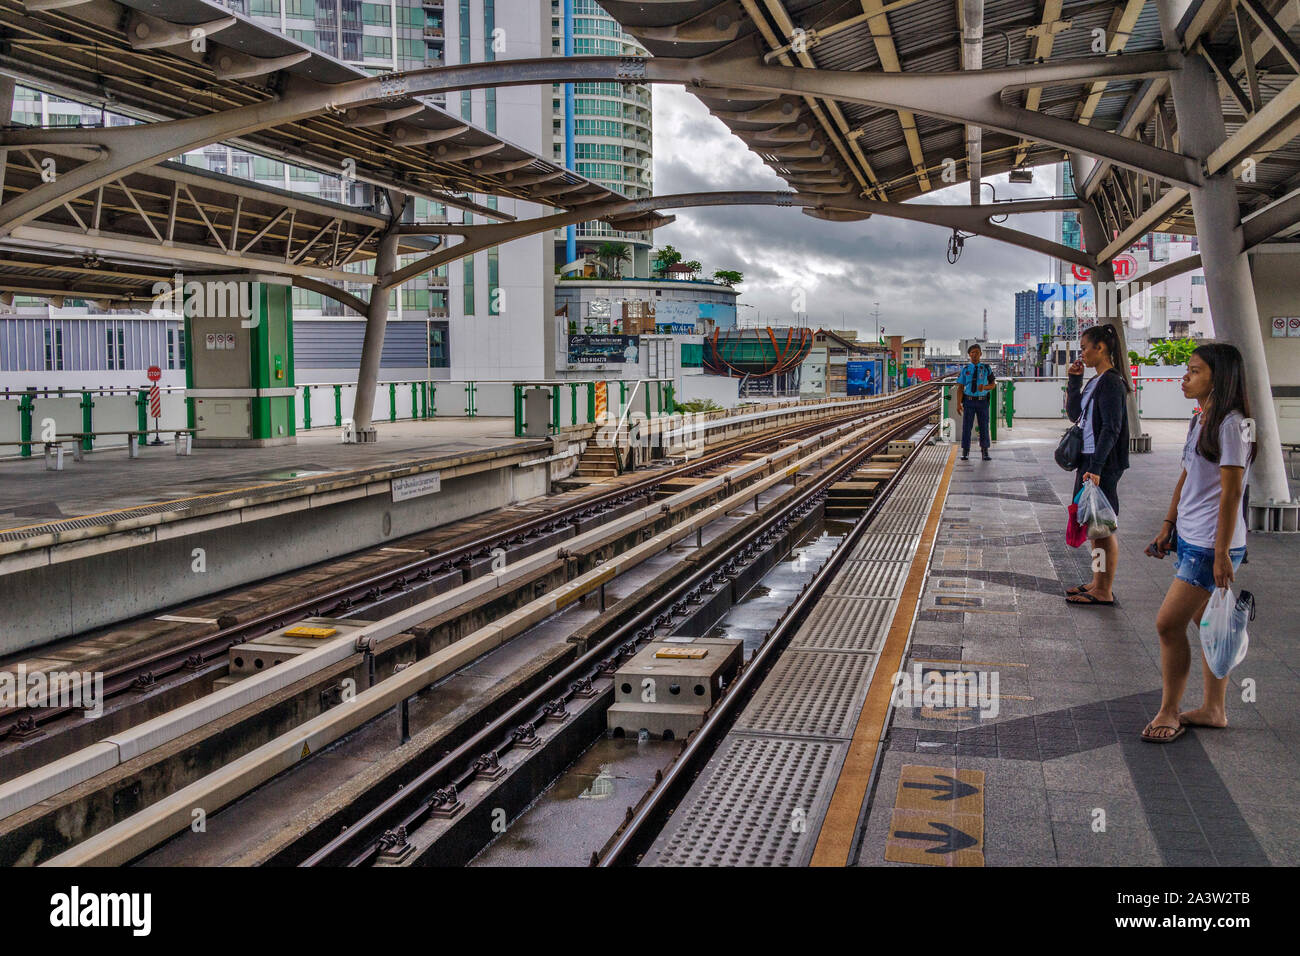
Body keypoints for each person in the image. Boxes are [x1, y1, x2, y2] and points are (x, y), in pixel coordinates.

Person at [1141, 343, 1255, 743]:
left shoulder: (1232, 424)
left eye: (1194, 370)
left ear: (1218, 377)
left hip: (1211, 546)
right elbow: (1187, 477)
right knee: (1206, 624)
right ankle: (1213, 709)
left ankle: (1169, 710)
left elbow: (1231, 493)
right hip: (1192, 538)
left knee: (1167, 623)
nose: (1184, 377)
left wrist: (1222, 553)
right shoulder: (1202, 419)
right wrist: (1169, 522)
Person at [1063, 324, 1131, 606]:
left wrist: (1099, 467)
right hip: (1090, 460)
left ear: (1100, 348)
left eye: (1085, 348)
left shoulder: (1112, 382)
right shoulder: (1096, 381)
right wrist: (1075, 381)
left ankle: (1103, 589)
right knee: (1094, 526)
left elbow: (1112, 429)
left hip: (1101, 463)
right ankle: (1097, 581)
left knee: (1102, 527)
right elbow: (1074, 414)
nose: (1083, 353)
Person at [953, 344, 994, 461]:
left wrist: (985, 388)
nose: (974, 355)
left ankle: (985, 451)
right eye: (972, 353)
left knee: (984, 427)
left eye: (977, 352)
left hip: (982, 402)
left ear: (981, 354)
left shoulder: (986, 368)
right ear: (969, 355)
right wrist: (958, 404)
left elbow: (993, 384)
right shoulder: (966, 370)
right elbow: (960, 387)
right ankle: (965, 451)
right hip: (969, 401)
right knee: (967, 427)